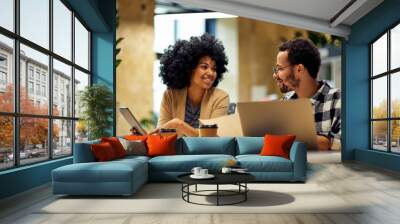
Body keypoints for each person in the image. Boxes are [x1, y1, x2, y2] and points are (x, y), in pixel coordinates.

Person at [155, 33, 230, 137]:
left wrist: (179, 125)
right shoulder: (170, 95)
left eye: (214, 69)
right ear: (190, 68)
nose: (211, 73)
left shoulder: (220, 98)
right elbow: (161, 135)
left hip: (208, 153)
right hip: (175, 152)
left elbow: (212, 138)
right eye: (204, 67)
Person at [272, 38, 341, 150]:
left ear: (299, 69)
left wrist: (287, 136)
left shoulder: (337, 99)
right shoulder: (284, 101)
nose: (275, 75)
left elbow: (341, 145)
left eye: (279, 69)